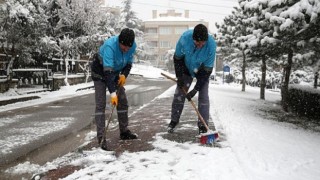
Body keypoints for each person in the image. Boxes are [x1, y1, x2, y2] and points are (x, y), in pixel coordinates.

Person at [91, 28, 138, 150]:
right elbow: (108, 73)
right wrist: (112, 93)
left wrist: (124, 75)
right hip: (100, 72)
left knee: (123, 102)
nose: (126, 49)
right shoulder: (110, 46)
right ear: (119, 42)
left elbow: (128, 63)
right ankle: (101, 138)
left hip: (116, 72)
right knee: (101, 105)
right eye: (123, 47)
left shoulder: (132, 46)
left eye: (128, 47)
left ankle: (124, 131)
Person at [167, 24, 217, 134]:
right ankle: (174, 120)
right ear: (193, 39)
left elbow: (207, 71)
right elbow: (177, 59)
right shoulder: (184, 38)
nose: (199, 45)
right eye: (197, 42)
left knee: (203, 96)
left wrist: (195, 89)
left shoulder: (211, 46)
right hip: (186, 67)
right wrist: (179, 77)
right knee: (179, 94)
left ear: (206, 40)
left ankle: (203, 126)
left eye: (202, 43)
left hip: (202, 70)